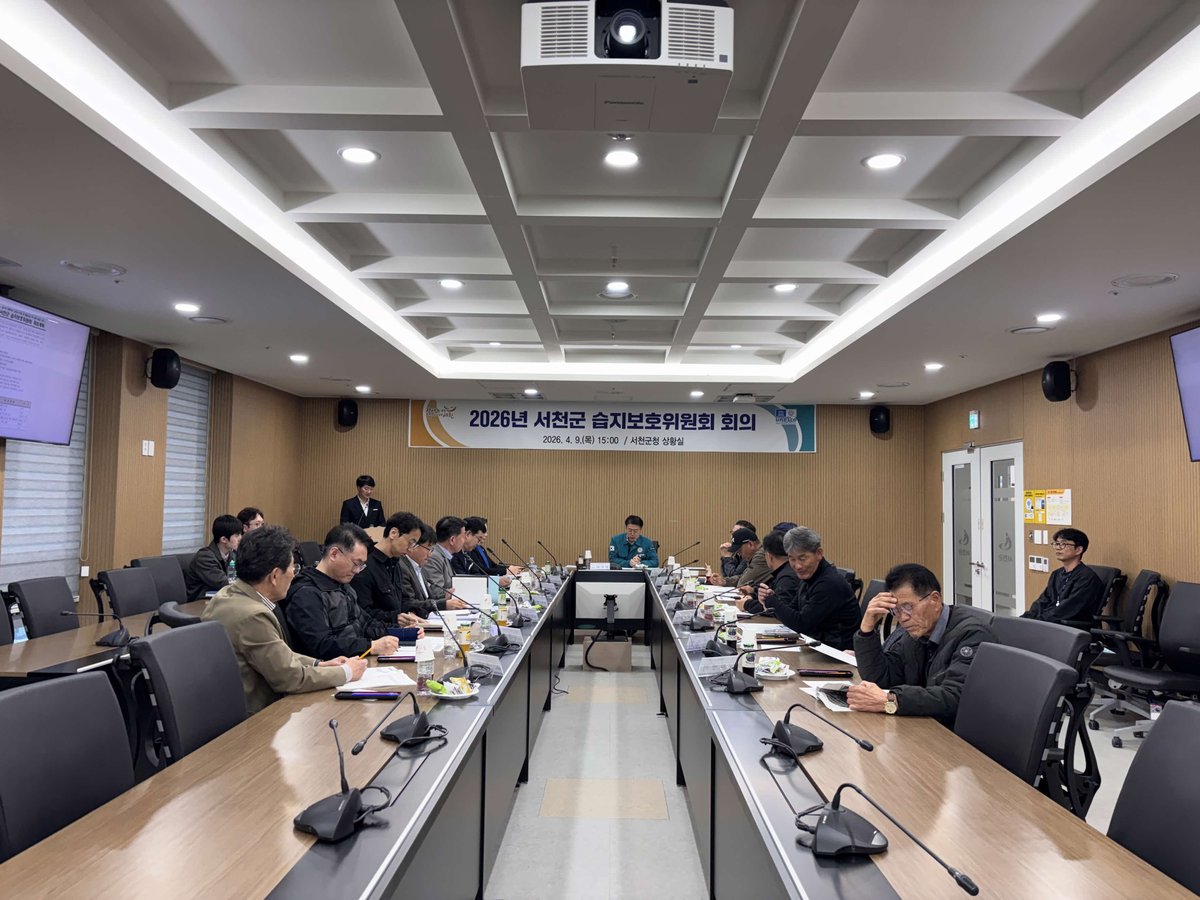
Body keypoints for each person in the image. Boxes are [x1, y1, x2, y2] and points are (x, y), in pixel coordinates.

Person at [201, 525, 366, 715]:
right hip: (256, 718)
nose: (294, 573)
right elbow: (290, 678)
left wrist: (318, 664)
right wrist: (347, 672)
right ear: (274, 576)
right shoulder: (253, 616)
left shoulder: (229, 594)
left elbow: (277, 653)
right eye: (292, 568)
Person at [850, 563, 997, 727]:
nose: (903, 618)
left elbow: (956, 696)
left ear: (935, 600)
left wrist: (893, 700)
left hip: (954, 733)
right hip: (923, 724)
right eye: (896, 611)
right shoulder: (915, 633)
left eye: (908, 607)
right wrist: (866, 630)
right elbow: (883, 678)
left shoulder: (973, 634)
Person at [284, 523, 398, 659]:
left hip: (355, 661)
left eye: (362, 565)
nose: (357, 571)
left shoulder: (343, 585)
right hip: (330, 668)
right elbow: (322, 645)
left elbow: (365, 624)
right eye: (356, 563)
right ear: (334, 554)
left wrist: (402, 632)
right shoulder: (306, 593)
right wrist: (370, 646)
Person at [771, 526, 859, 650]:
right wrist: (771, 598)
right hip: (817, 645)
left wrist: (772, 602)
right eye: (792, 559)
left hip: (836, 653)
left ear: (819, 553)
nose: (797, 566)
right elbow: (793, 609)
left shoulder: (828, 583)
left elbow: (802, 624)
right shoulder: (810, 577)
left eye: (802, 559)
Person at [350, 511, 427, 629]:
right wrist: (394, 617)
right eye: (410, 543)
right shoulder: (365, 564)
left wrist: (411, 613)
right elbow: (362, 612)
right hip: (378, 633)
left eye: (414, 545)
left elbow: (403, 600)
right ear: (393, 533)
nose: (410, 549)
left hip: (398, 629)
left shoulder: (395, 563)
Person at [1021, 527, 1105, 627]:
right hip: (1050, 622)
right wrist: (1026, 618)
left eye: (1064, 544)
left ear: (1078, 550)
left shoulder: (1087, 578)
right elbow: (1043, 601)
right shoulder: (1057, 574)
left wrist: (1038, 621)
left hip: (1069, 627)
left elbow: (1068, 609)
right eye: (1056, 544)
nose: (1058, 548)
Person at [185, 514, 243, 601]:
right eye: (237, 535)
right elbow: (223, 583)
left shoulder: (232, 554)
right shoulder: (204, 557)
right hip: (201, 602)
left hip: (222, 599)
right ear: (224, 539)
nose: (241, 538)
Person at [741, 530, 798, 614]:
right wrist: (754, 592)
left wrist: (746, 604)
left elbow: (777, 610)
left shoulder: (786, 578)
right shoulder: (785, 571)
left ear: (769, 556)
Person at [422, 516, 470, 608]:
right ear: (452, 540)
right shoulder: (434, 557)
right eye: (463, 536)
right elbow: (436, 593)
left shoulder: (444, 556)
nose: (465, 540)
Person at [453, 516, 519, 584]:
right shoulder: (454, 555)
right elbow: (463, 580)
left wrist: (496, 580)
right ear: (468, 534)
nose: (478, 543)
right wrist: (496, 581)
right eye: (479, 538)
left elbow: (476, 574)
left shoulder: (467, 553)